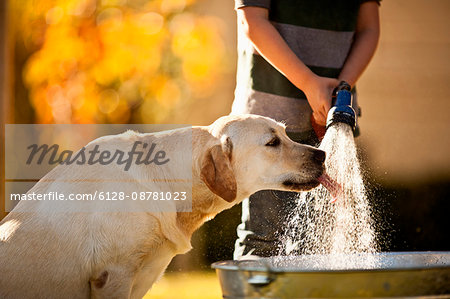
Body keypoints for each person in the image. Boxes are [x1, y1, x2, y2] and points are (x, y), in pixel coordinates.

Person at [232, 0, 380, 258]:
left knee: (324, 247)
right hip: (269, 123)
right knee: (264, 240)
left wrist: (342, 87)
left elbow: (369, 28)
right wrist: (310, 84)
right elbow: (252, 22)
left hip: (332, 117)